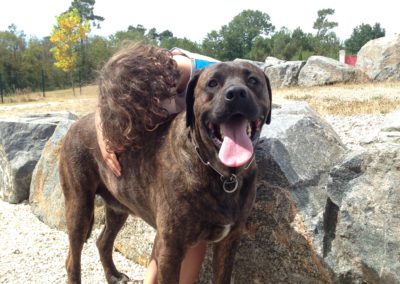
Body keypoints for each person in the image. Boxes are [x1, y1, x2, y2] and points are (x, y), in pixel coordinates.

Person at [95, 45, 219, 284]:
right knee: (169, 226)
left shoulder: (210, 76)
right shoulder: (154, 80)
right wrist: (103, 138)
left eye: (145, 114)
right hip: (176, 157)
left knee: (192, 228)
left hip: (205, 163)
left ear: (155, 92)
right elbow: (103, 102)